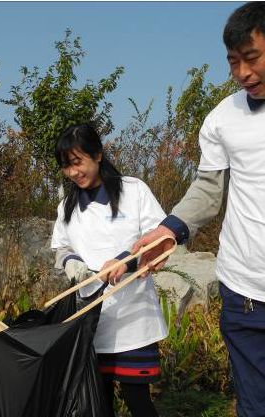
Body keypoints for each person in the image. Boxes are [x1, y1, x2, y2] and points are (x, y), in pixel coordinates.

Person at [132, 2, 265, 416]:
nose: (243, 73)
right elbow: (208, 191)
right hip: (244, 291)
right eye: (234, 62)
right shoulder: (223, 118)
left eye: (253, 58)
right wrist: (169, 229)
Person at [51, 123, 167, 417]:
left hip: (133, 318)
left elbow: (161, 239)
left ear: (98, 155)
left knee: (137, 400)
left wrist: (125, 261)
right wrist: (70, 261)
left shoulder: (134, 190)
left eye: (78, 162)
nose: (73, 173)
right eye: (67, 166)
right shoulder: (67, 206)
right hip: (91, 318)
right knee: (97, 402)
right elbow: (61, 247)